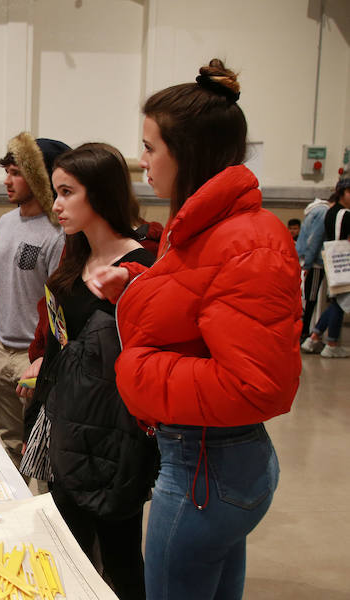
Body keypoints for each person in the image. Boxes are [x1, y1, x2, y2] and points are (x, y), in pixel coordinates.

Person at [91, 59, 301, 599]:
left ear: (190, 154)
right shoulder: (205, 230)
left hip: (207, 471)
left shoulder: (244, 240)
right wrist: (135, 285)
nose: (142, 163)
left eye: (150, 147)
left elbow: (257, 384)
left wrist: (135, 370)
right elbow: (201, 306)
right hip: (212, 464)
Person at [17, 143, 158, 600]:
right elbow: (59, 346)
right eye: (56, 192)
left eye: (66, 192)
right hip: (66, 433)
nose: (56, 205)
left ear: (99, 194)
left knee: (120, 559)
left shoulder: (142, 267)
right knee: (70, 553)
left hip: (116, 439)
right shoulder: (73, 258)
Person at [0, 132, 67, 469]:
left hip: (36, 356)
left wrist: (49, 358)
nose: (7, 181)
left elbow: (61, 306)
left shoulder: (58, 233)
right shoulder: (6, 222)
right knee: (10, 443)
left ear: (40, 178)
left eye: (16, 172)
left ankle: (45, 513)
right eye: (7, 171)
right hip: (3, 350)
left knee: (42, 450)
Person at [301, 177, 350, 358]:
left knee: (337, 300)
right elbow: (339, 239)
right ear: (342, 193)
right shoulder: (341, 214)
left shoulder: (332, 212)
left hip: (332, 261)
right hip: (340, 262)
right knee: (340, 301)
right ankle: (331, 342)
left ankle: (314, 336)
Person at [295, 191, 332, 340]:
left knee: (306, 297)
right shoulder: (323, 212)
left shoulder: (313, 210)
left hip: (305, 258)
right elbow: (315, 239)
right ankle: (305, 331)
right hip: (314, 262)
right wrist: (309, 264)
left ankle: (303, 330)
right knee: (311, 299)